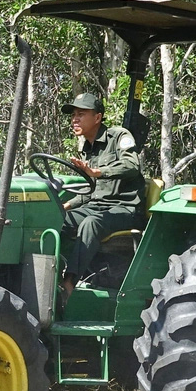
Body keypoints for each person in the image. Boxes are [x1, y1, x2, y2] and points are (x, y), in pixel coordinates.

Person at [60, 91, 144, 275]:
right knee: (56, 220)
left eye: (81, 114)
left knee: (91, 223)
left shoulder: (118, 136)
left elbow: (132, 165)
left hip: (125, 209)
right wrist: (64, 206)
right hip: (97, 207)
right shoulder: (87, 149)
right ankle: (51, 275)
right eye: (73, 115)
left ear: (97, 117)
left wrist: (98, 172)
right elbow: (91, 190)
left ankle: (69, 283)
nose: (75, 119)